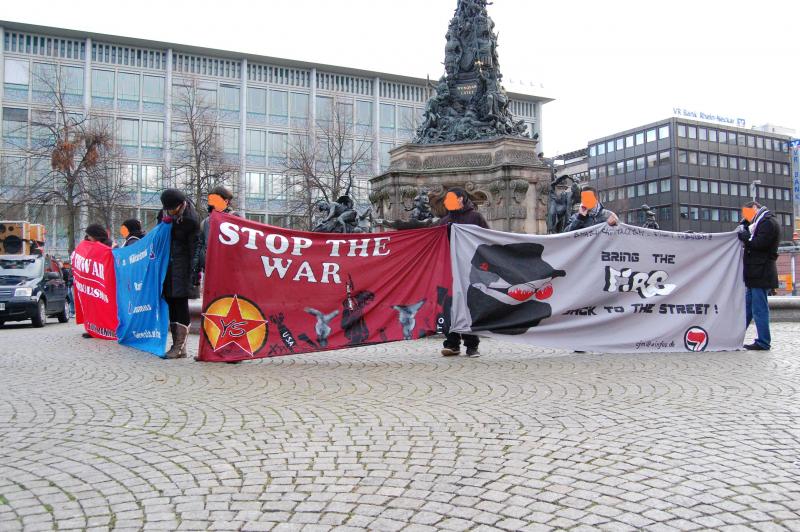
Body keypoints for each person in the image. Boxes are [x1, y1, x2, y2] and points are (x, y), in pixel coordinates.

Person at [439, 187, 488, 358]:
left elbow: (487, 239)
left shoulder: (475, 218)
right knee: (450, 307)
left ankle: (471, 345)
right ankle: (452, 343)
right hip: (450, 269)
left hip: (469, 269)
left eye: (450, 198)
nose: (447, 201)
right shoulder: (444, 221)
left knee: (469, 306)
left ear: (461, 198)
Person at [158, 189, 200, 359]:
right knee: (171, 303)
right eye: (168, 209)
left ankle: (180, 346)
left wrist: (195, 272)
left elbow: (195, 247)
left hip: (183, 267)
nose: (170, 213)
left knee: (180, 304)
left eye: (173, 210)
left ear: (181, 205)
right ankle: (176, 345)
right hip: (167, 266)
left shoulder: (191, 219)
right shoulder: (164, 212)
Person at [737, 201, 780, 350]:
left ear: (754, 208)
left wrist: (746, 237)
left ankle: (763, 341)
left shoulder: (767, 223)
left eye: (747, 214)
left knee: (759, 309)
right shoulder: (762, 222)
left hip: (760, 273)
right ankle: (735, 336)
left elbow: (760, 244)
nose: (746, 217)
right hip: (756, 273)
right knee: (748, 308)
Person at [192, 186, 238, 287]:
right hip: (209, 270)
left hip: (229, 271)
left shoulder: (235, 218)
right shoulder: (206, 222)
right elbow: (200, 246)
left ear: (226, 201)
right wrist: (195, 270)